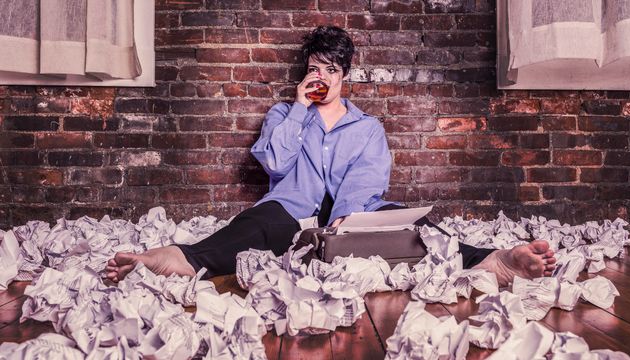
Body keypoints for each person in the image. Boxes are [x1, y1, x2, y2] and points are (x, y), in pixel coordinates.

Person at [106, 26, 556, 287]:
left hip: (352, 220)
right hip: (293, 216)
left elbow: (366, 183)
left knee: (415, 226)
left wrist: (348, 219)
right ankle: (181, 257)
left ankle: (490, 260)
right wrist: (300, 109)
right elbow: (276, 166)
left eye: (331, 70)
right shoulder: (285, 113)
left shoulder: (367, 128)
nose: (321, 77)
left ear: (345, 76)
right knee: (255, 224)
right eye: (314, 68)